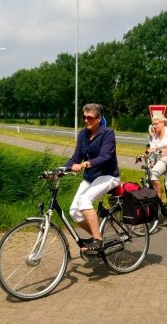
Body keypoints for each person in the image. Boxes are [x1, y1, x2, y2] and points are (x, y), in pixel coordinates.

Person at [65, 103, 120, 254]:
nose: (86, 120)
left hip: (108, 176)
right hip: (91, 178)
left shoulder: (108, 133)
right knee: (74, 211)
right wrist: (60, 170)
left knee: (84, 201)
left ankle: (98, 241)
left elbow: (105, 156)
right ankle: (98, 236)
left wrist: (85, 164)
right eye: (84, 117)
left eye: (89, 117)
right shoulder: (83, 134)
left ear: (98, 118)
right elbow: (76, 158)